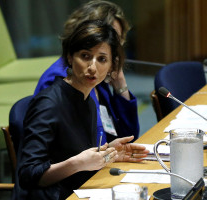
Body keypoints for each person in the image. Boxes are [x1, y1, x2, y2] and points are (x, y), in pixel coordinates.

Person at [16, 20, 149, 200]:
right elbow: (28, 175)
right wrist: (77, 164)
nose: (93, 68)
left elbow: (76, 157)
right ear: (70, 58)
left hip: (80, 191)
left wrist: (107, 153)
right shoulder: (48, 104)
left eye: (102, 59)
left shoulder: (87, 99)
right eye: (85, 56)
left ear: (111, 66)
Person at [34, 0, 139, 145]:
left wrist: (120, 84)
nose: (113, 48)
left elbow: (128, 137)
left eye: (117, 41)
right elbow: (66, 149)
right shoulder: (59, 79)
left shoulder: (98, 76)